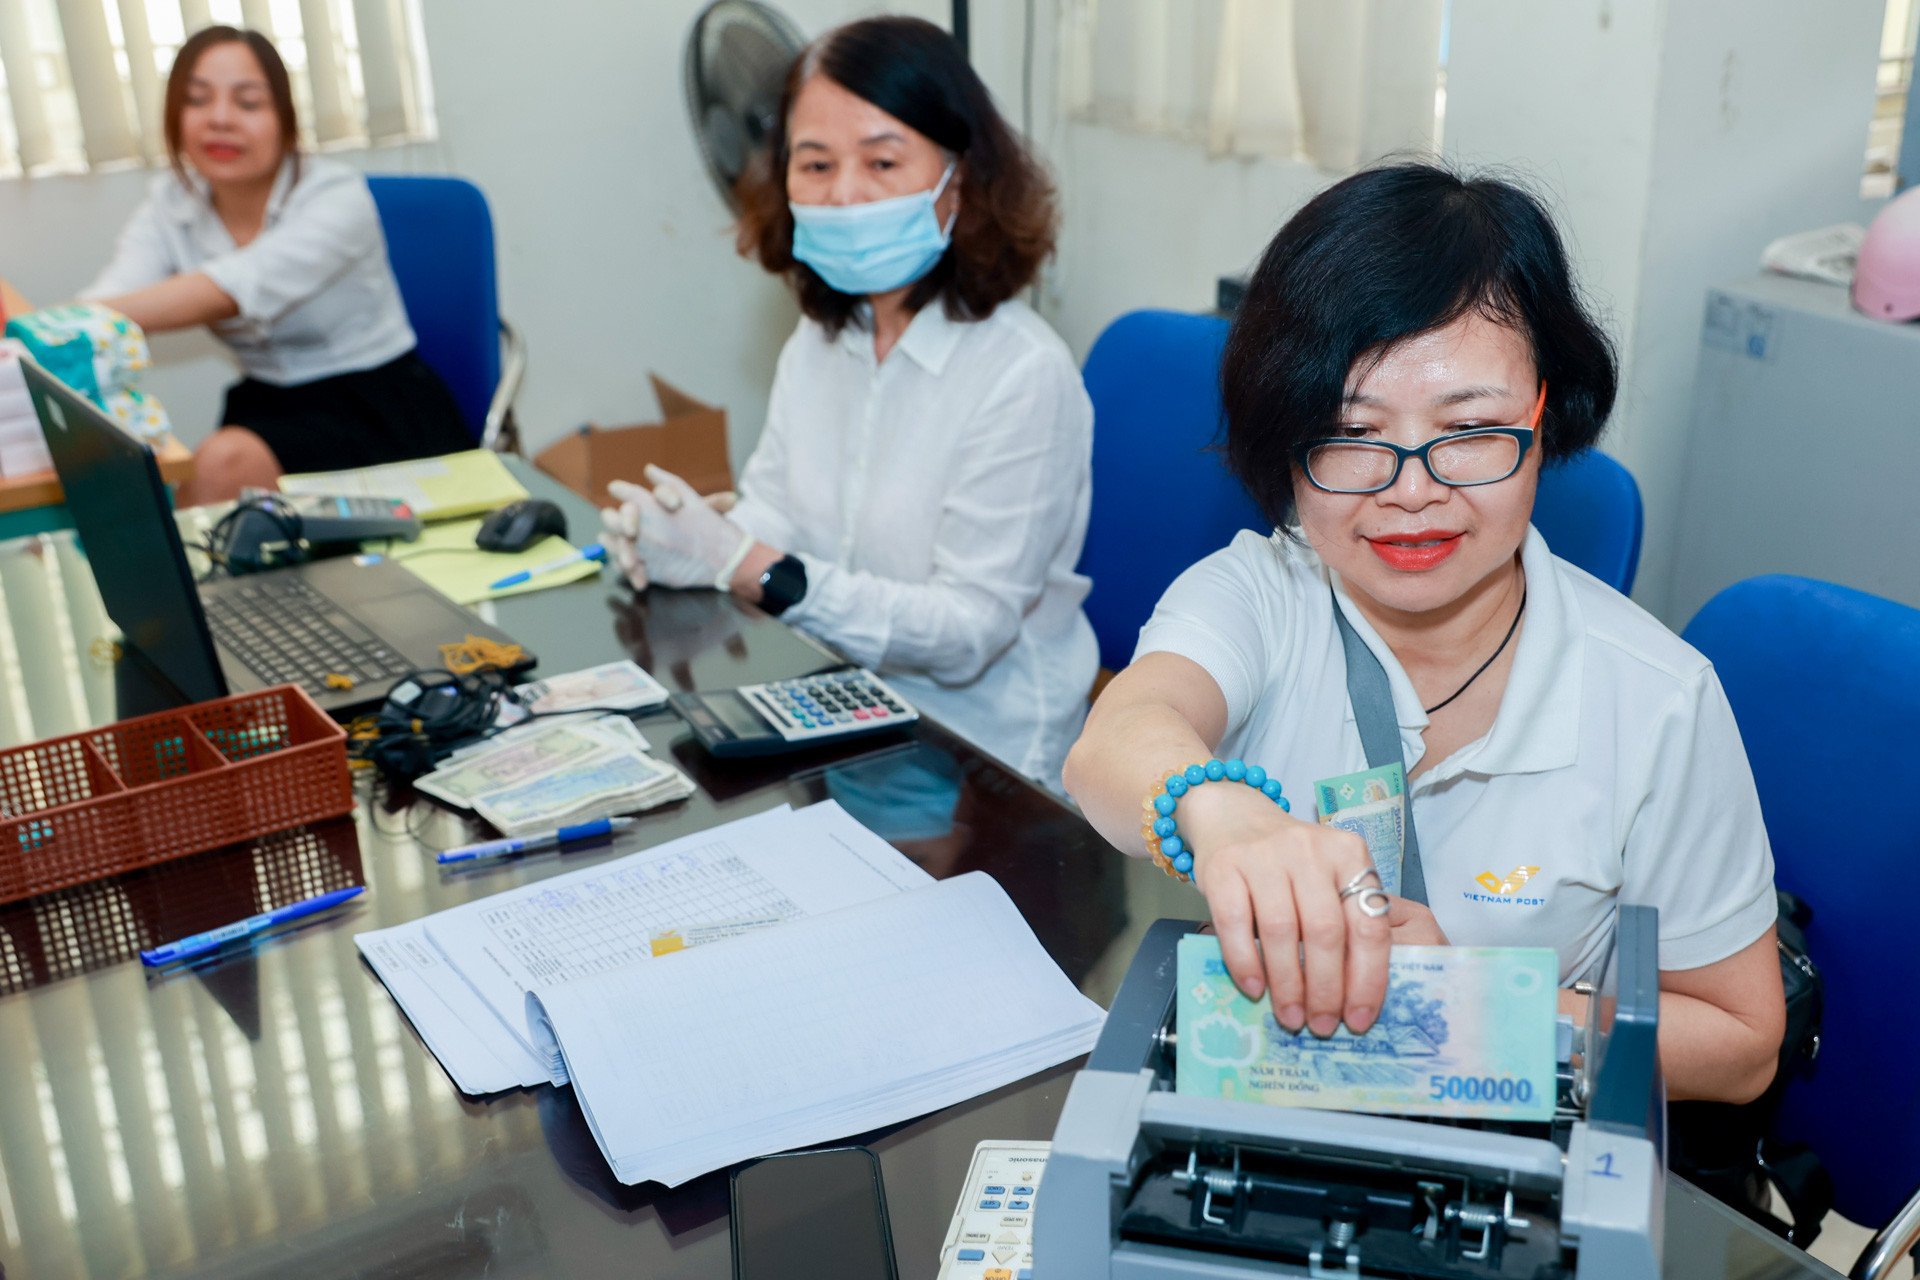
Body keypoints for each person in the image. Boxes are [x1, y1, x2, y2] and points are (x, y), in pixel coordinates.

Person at [1063, 163, 1784, 1104]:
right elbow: (1120, 735)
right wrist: (1223, 811)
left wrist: (1470, 1006)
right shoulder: (1266, 591)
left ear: (1545, 415)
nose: (1411, 491)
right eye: (1353, 435)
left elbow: (1739, 1045)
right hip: (1268, 1111)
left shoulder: (1657, 698)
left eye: (1470, 429)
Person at [600, 16, 1096, 788]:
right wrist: (695, 545)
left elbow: (968, 630)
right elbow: (778, 512)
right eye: (816, 164)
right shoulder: (822, 340)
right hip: (838, 709)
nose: (846, 194)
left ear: (958, 179)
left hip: (986, 759)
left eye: (883, 160)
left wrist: (749, 565)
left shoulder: (1021, 372)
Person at [80, 26, 469, 505]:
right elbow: (111, 297)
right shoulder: (171, 202)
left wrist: (68, 322)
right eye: (197, 100)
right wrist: (55, 328)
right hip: (265, 406)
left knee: (221, 466)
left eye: (248, 103)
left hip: (375, 407)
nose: (219, 120)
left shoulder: (336, 198)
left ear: (285, 119)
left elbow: (227, 289)